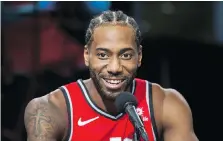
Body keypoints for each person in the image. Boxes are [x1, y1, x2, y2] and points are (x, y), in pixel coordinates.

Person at [24, 10, 199, 141]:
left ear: (139, 57)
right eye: (103, 55)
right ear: (86, 55)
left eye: (125, 55)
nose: (114, 68)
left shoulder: (166, 104)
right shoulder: (50, 109)